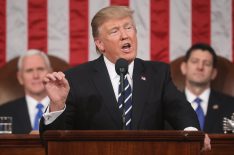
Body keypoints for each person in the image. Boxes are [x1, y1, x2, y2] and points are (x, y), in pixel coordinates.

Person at [40, 6, 210, 151]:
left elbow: (179, 109)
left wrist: (193, 135)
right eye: (115, 31)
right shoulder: (77, 79)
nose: (124, 35)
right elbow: (53, 143)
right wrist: (57, 105)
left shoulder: (157, 73)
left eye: (128, 28)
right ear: (100, 44)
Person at [179, 43, 234, 133]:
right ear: (184, 67)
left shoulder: (231, 106)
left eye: (207, 64)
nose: (200, 67)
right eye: (194, 61)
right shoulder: (168, 106)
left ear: (214, 73)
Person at [0, 49, 52, 134]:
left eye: (40, 69)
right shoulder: (3, 112)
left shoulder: (68, 109)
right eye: (29, 70)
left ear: (50, 72)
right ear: (20, 78)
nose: (36, 76)